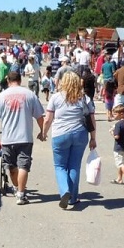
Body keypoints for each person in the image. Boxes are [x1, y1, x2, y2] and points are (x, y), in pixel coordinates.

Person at [40, 71, 97, 209]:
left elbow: (48, 119)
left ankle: (64, 191)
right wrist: (93, 138)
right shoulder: (85, 98)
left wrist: (43, 133)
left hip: (60, 135)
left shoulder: (56, 98)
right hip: (80, 134)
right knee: (74, 166)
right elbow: (92, 120)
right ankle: (73, 197)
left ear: (63, 82)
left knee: (60, 166)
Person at [0, 72, 45, 206]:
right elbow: (39, 117)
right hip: (25, 137)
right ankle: (20, 193)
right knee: (24, 165)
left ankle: (17, 189)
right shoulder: (30, 95)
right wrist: (42, 132)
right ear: (20, 80)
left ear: (8, 80)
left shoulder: (1, 96)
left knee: (12, 167)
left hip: (8, 138)